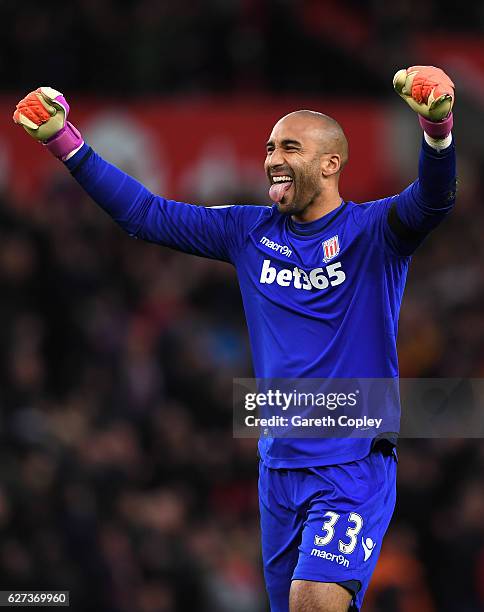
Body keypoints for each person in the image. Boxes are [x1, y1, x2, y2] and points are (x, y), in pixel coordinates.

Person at [13, 65, 456, 612]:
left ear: (330, 163)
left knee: (313, 602)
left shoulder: (375, 233)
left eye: (289, 147)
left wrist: (438, 132)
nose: (272, 159)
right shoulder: (249, 231)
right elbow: (146, 215)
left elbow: (433, 201)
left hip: (352, 463)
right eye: (269, 147)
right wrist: (66, 143)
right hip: (278, 469)